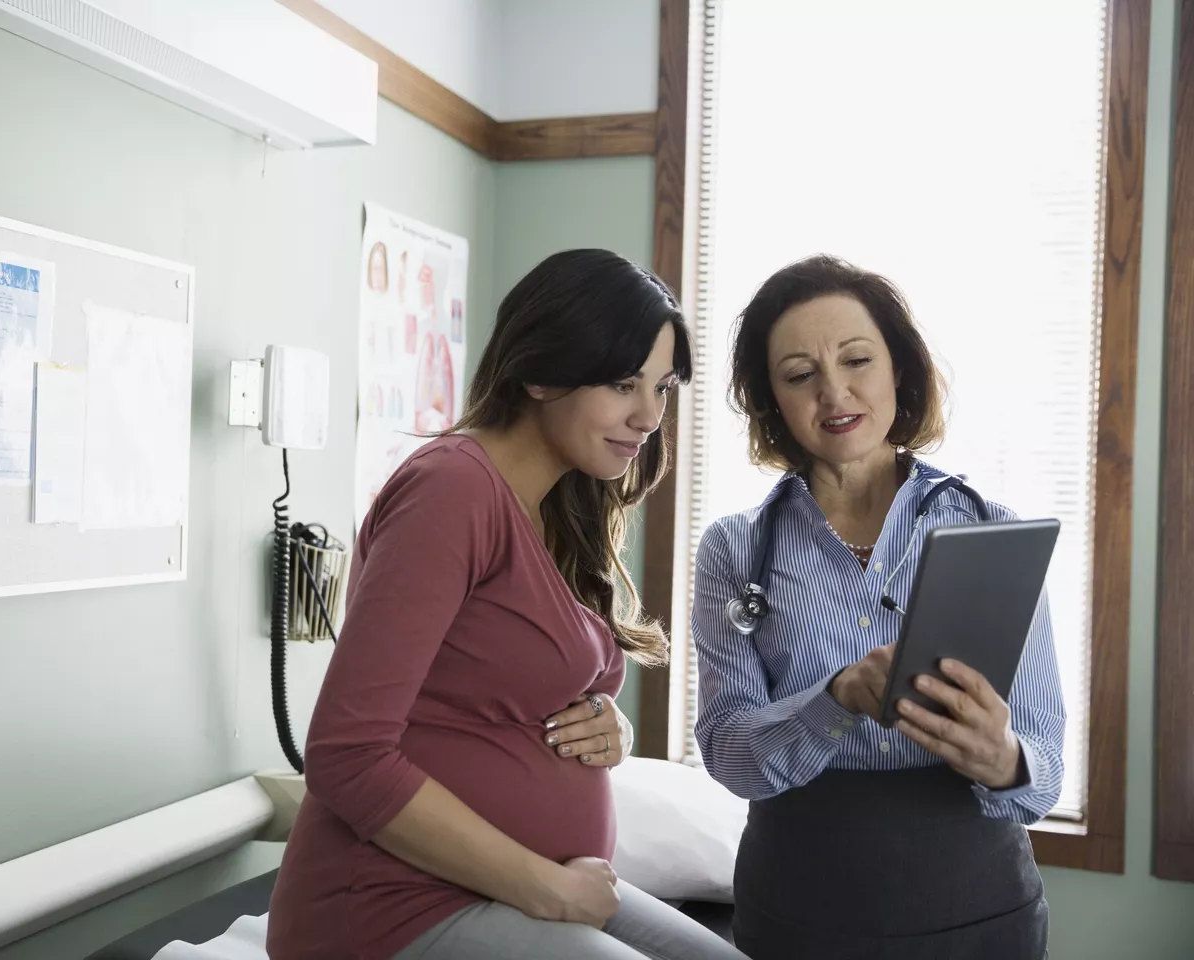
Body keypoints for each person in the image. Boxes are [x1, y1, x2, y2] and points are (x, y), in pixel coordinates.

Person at [268, 250, 746, 960]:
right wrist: (550, 891)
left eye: (662, 387)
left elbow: (502, 680)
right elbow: (345, 755)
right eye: (623, 384)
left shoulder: (559, 504)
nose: (649, 416)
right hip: (391, 905)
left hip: (520, 886)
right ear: (542, 374)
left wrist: (605, 724)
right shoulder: (452, 490)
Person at [692, 254, 1066, 959]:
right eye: (799, 374)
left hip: (978, 910)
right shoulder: (735, 550)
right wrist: (832, 701)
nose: (834, 392)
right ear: (772, 400)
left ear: (900, 369)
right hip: (798, 908)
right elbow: (728, 753)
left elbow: (1043, 770)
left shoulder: (992, 531)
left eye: (857, 360)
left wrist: (1003, 757)